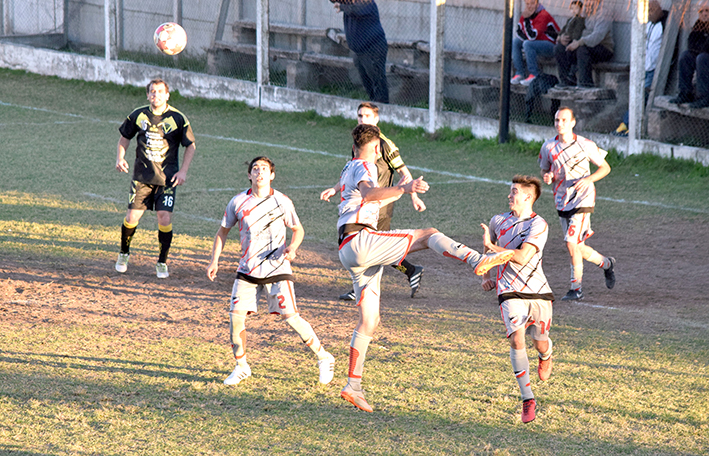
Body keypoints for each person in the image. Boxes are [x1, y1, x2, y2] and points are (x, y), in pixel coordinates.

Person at [323, 124, 515, 412]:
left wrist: (407, 191)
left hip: (349, 250)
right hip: (360, 239)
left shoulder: (349, 164)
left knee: (369, 320)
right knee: (428, 234)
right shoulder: (365, 165)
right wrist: (403, 186)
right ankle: (478, 260)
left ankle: (353, 384)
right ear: (377, 149)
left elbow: (377, 195)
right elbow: (368, 193)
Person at [207, 157, 336, 386]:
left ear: (272, 175)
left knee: (291, 317)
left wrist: (293, 248)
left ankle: (324, 357)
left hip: (277, 268)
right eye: (255, 169)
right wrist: (214, 261)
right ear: (249, 175)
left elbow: (298, 230)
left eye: (264, 169)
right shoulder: (237, 202)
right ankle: (242, 366)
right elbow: (222, 232)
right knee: (235, 320)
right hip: (247, 269)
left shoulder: (282, 202)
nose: (259, 173)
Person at [321, 102, 426, 301]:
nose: (363, 120)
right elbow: (353, 174)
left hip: (380, 204)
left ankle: (403, 273)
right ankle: (411, 271)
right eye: (360, 116)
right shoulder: (361, 144)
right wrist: (335, 189)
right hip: (363, 206)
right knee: (372, 244)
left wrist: (414, 195)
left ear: (376, 119)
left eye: (368, 116)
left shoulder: (385, 145)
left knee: (372, 245)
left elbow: (404, 171)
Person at [480, 175, 555, 424]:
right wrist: (486, 276)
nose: (509, 196)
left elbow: (522, 257)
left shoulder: (539, 225)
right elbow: (486, 250)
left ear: (528, 197)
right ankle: (527, 398)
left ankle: (546, 355)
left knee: (540, 341)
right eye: (510, 191)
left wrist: (493, 248)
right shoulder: (497, 221)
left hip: (539, 291)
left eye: (514, 192)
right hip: (509, 290)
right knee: (516, 337)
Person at [114, 78, 196, 279]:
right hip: (141, 177)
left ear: (167, 95)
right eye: (152, 91)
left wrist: (183, 171)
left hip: (167, 179)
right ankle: (124, 253)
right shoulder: (138, 115)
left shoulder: (178, 118)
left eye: (160, 92)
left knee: (164, 217)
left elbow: (190, 145)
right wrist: (120, 157)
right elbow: (125, 137)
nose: (155, 95)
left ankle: (162, 261)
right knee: (132, 217)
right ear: (147, 95)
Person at [539, 107, 616, 301]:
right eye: (557, 120)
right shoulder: (548, 147)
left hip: (583, 199)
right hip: (562, 199)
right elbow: (545, 170)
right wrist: (548, 177)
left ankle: (576, 289)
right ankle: (606, 264)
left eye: (564, 120)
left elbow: (605, 167)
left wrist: (589, 179)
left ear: (573, 122)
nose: (560, 124)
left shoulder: (585, 144)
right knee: (577, 247)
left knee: (570, 242)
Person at [614, 0, 664, 136]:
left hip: (654, 70)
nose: (649, 13)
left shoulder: (663, 25)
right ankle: (627, 125)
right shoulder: (646, 25)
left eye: (652, 10)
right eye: (648, 11)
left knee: (641, 97)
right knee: (636, 97)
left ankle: (630, 126)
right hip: (643, 68)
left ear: (659, 9)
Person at [332, 0, 389, 103]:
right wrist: (342, 5)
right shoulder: (349, 3)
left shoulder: (366, 2)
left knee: (377, 81)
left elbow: (357, 10)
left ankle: (383, 110)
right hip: (358, 51)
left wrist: (342, 7)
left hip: (373, 48)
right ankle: (374, 106)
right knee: (367, 82)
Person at [554, 0, 614, 88]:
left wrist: (579, 42)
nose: (587, 2)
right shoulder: (585, 11)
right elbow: (574, 28)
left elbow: (598, 36)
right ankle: (566, 80)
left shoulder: (604, 13)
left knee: (582, 49)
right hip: (583, 45)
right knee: (559, 48)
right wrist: (563, 37)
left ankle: (586, 83)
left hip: (603, 48)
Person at [511, 0, 560, 87]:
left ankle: (534, 74)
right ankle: (519, 73)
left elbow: (532, 36)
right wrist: (526, 20)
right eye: (527, 4)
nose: (530, 6)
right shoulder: (526, 14)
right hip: (537, 43)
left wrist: (526, 19)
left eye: (532, 3)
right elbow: (519, 32)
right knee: (515, 42)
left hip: (552, 46)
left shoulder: (543, 15)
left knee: (527, 44)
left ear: (537, 4)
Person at [669, 2, 709, 108]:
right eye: (702, 11)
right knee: (685, 56)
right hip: (702, 56)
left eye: (707, 11)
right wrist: (701, 48)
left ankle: (704, 97)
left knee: (701, 58)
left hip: (704, 58)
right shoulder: (698, 25)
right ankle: (685, 93)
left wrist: (701, 48)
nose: (705, 14)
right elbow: (691, 44)